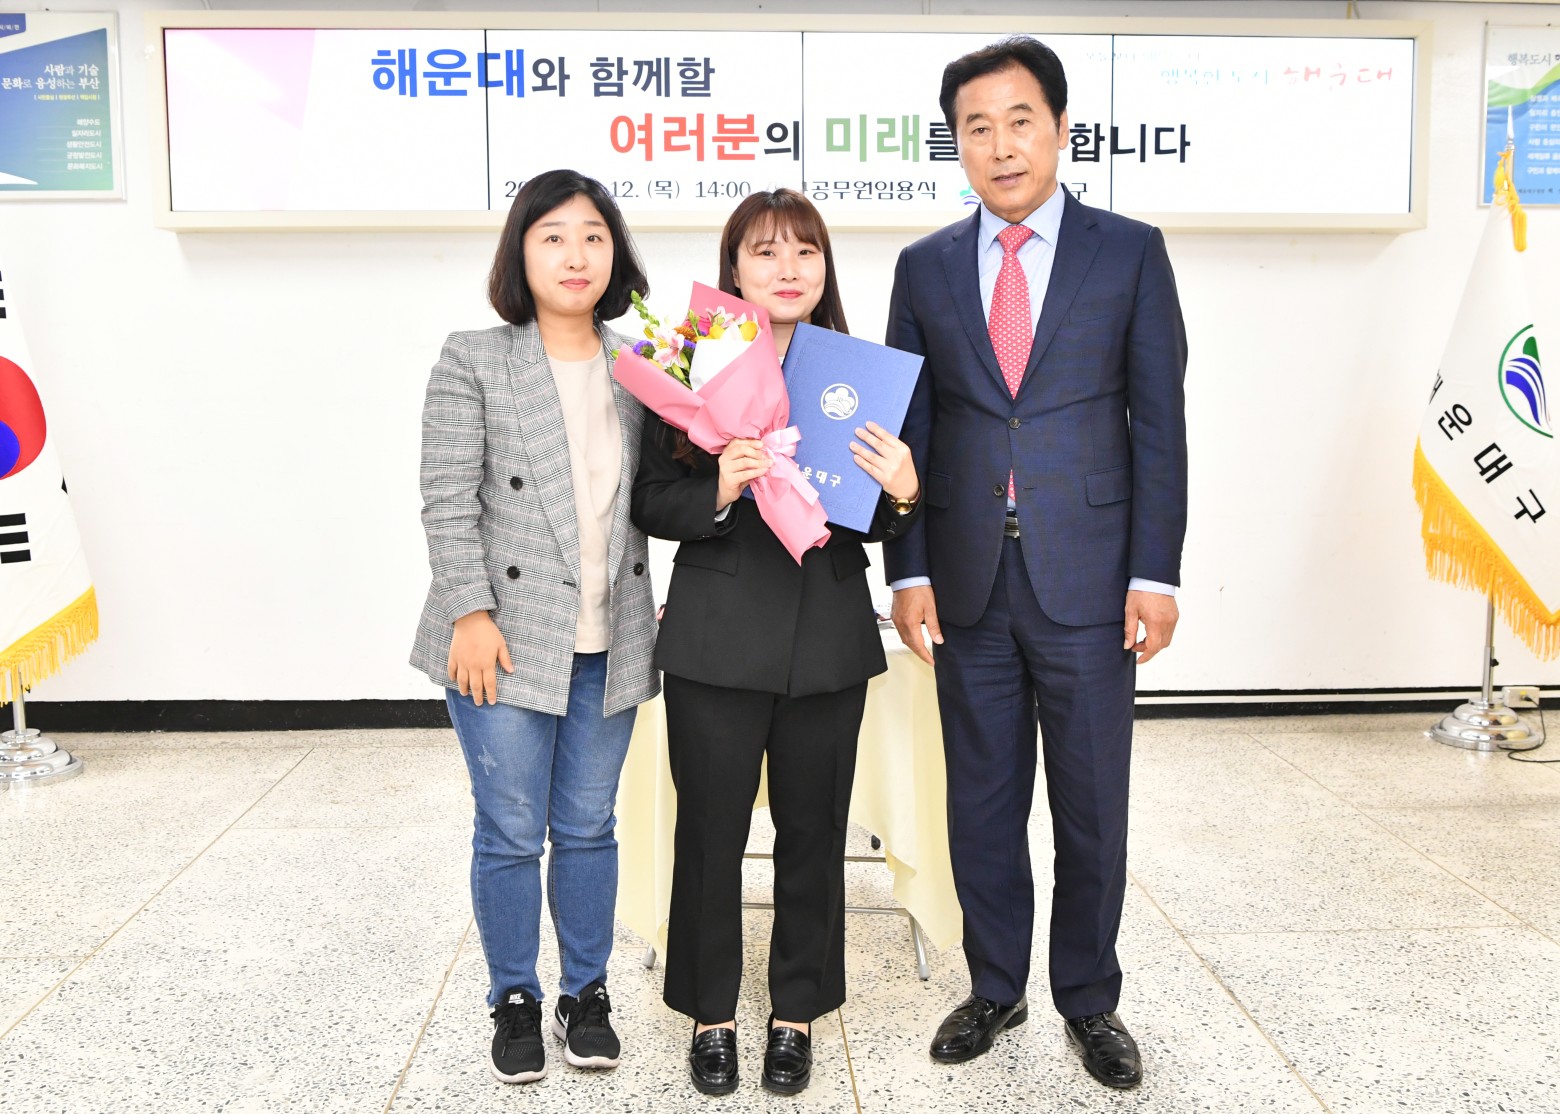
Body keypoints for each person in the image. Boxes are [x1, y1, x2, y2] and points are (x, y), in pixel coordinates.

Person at [884, 37, 1188, 1091]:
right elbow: (910, 428)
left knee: (1092, 803)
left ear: (1060, 129)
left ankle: (1089, 997)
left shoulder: (1129, 253)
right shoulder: (924, 267)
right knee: (982, 799)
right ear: (956, 144)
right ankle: (995, 983)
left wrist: (1157, 572)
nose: (1002, 145)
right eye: (978, 127)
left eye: (1021, 121)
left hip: (1093, 579)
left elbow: (1160, 424)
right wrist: (908, 571)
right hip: (965, 576)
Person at [631, 189, 921, 1097]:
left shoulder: (860, 372)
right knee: (710, 835)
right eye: (765, 252)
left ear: (825, 268)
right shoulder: (689, 359)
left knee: (814, 834)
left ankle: (795, 1011)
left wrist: (905, 489)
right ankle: (710, 1014)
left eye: (805, 252)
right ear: (734, 268)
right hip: (716, 639)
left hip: (826, 637)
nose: (787, 269)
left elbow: (878, 519)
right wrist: (720, 485)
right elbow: (650, 500)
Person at [409, 169, 659, 1086]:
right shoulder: (474, 358)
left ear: (615, 253)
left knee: (589, 825)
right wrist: (469, 612)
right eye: (552, 236)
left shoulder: (643, 369)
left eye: (593, 235)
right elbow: (446, 499)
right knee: (512, 828)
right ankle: (513, 996)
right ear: (522, 253)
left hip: (611, 635)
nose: (575, 254)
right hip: (504, 636)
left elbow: (659, 499)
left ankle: (584, 993)